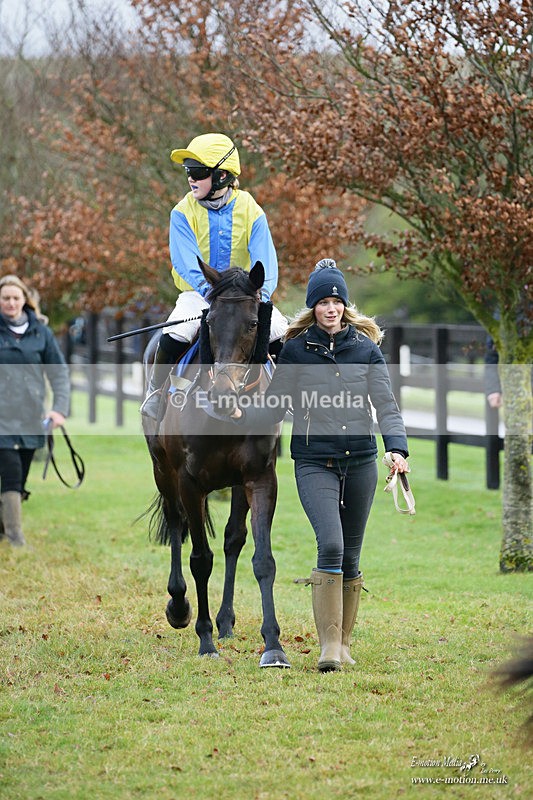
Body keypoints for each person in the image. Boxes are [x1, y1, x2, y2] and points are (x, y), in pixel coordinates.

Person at [230, 260, 410, 672]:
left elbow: (386, 406)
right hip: (315, 463)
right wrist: (242, 414)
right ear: (313, 307)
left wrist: (397, 449)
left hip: (361, 462)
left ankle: (343, 644)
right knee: (331, 544)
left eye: (336, 301)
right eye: (324, 302)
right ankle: (328, 647)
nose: (331, 308)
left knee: (351, 556)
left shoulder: (366, 350)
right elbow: (275, 404)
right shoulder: (295, 351)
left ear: (345, 305)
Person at [141, 132, 287, 418]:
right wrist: (209, 290)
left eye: (197, 172)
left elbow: (265, 260)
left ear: (222, 175)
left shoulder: (252, 210)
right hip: (200, 293)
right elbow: (185, 261)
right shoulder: (181, 212)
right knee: (175, 334)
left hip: (245, 297)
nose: (190, 178)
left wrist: (262, 296)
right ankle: (156, 393)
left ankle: (289, 396)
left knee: (281, 334)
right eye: (188, 172)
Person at [0, 275, 70, 546]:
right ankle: (16, 539)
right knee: (12, 472)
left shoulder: (41, 333)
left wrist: (59, 409)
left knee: (19, 478)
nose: (10, 302)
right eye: (5, 298)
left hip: (31, 415)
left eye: (15, 298)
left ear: (24, 300)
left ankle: (3, 527)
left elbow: (59, 373)